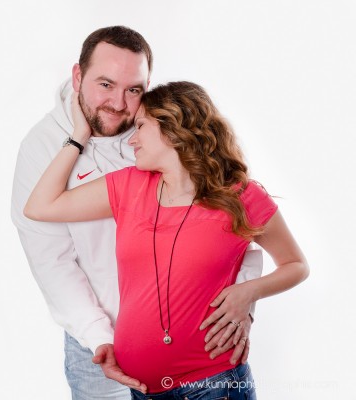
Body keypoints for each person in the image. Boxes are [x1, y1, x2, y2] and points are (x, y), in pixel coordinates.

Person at [11, 26, 262, 399]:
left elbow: (233, 227)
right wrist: (100, 337)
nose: (118, 103)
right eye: (105, 85)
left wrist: (244, 299)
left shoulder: (162, 132)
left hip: (195, 348)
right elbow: (52, 262)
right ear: (77, 76)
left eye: (133, 90)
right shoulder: (42, 148)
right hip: (96, 349)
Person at [24, 80, 310, 398]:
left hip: (213, 384)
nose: (132, 139)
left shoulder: (241, 196)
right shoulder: (128, 186)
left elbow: (296, 264)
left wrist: (248, 292)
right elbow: (39, 207)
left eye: (141, 126)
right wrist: (79, 136)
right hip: (143, 391)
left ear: (172, 129)